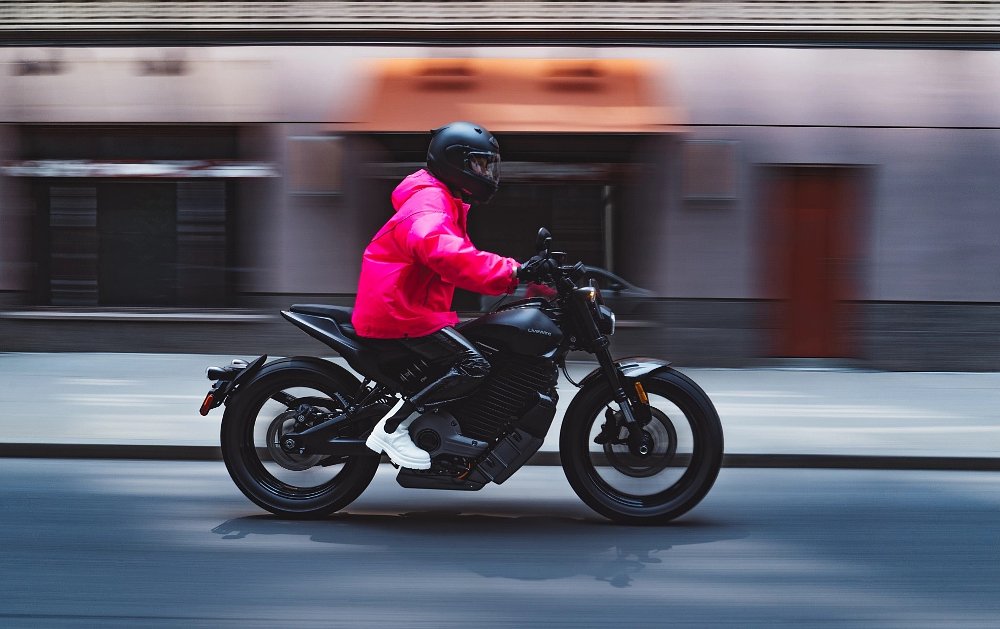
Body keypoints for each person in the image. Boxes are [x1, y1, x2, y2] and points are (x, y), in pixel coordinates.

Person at [352, 121, 534, 470]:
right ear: (457, 164)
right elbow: (442, 250)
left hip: (414, 309)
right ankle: (392, 429)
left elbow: (454, 255)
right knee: (472, 364)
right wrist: (510, 271)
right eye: (480, 164)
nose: (486, 172)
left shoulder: (443, 200)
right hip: (400, 313)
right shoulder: (429, 201)